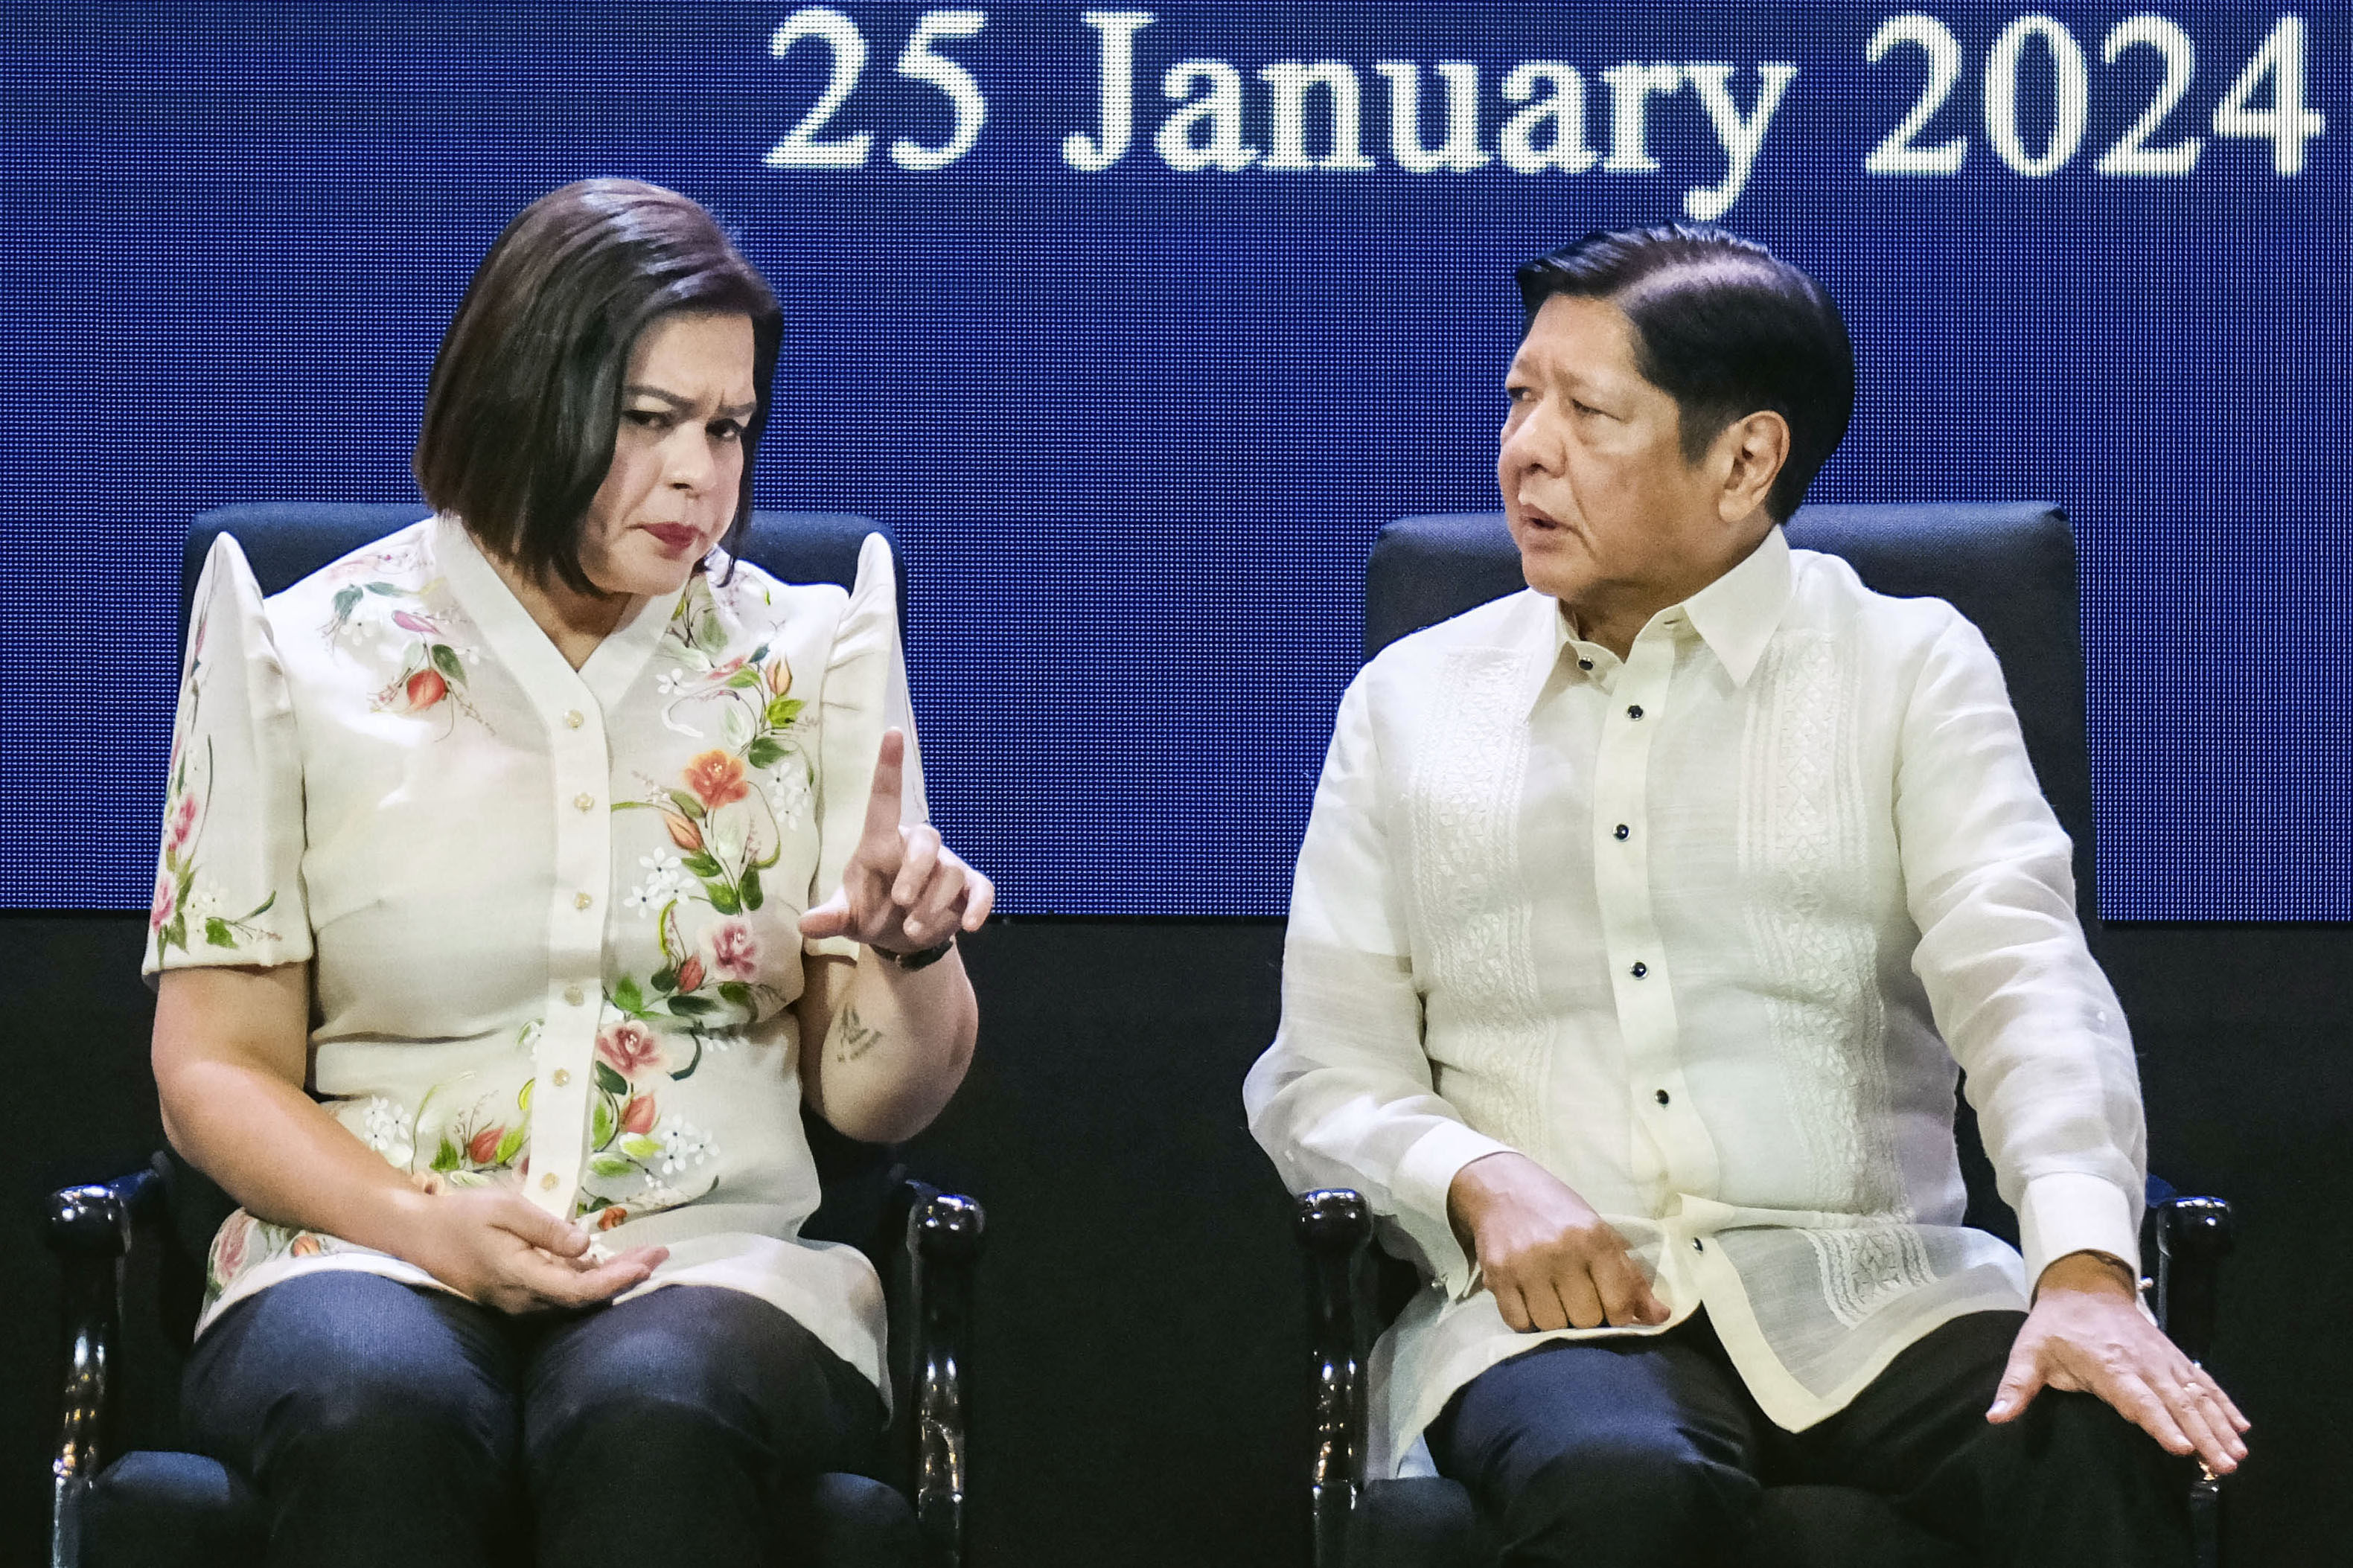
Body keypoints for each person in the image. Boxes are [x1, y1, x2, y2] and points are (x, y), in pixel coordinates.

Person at [1243, 225, 2245, 1567]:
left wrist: (2079, 1267)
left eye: (1586, 412)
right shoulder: (1412, 703)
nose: (1525, 450)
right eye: (1519, 398)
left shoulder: (1908, 669)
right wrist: (1473, 1178)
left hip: (1876, 1292)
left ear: (1745, 459)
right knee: (1618, 1486)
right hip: (1566, 1320)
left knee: (2090, 1440)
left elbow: (2024, 985)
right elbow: (1323, 1075)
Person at [145, 178, 992, 1566]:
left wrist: (913, 956)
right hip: (365, 1248)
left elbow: (873, 1096)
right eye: (648, 419)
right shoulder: (295, 650)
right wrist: (419, 1221)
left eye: (727, 429)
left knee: (652, 1409)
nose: (699, 475)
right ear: (523, 398)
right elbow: (214, 1067)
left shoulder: (811, 651)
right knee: (379, 1411)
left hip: (709, 1257)